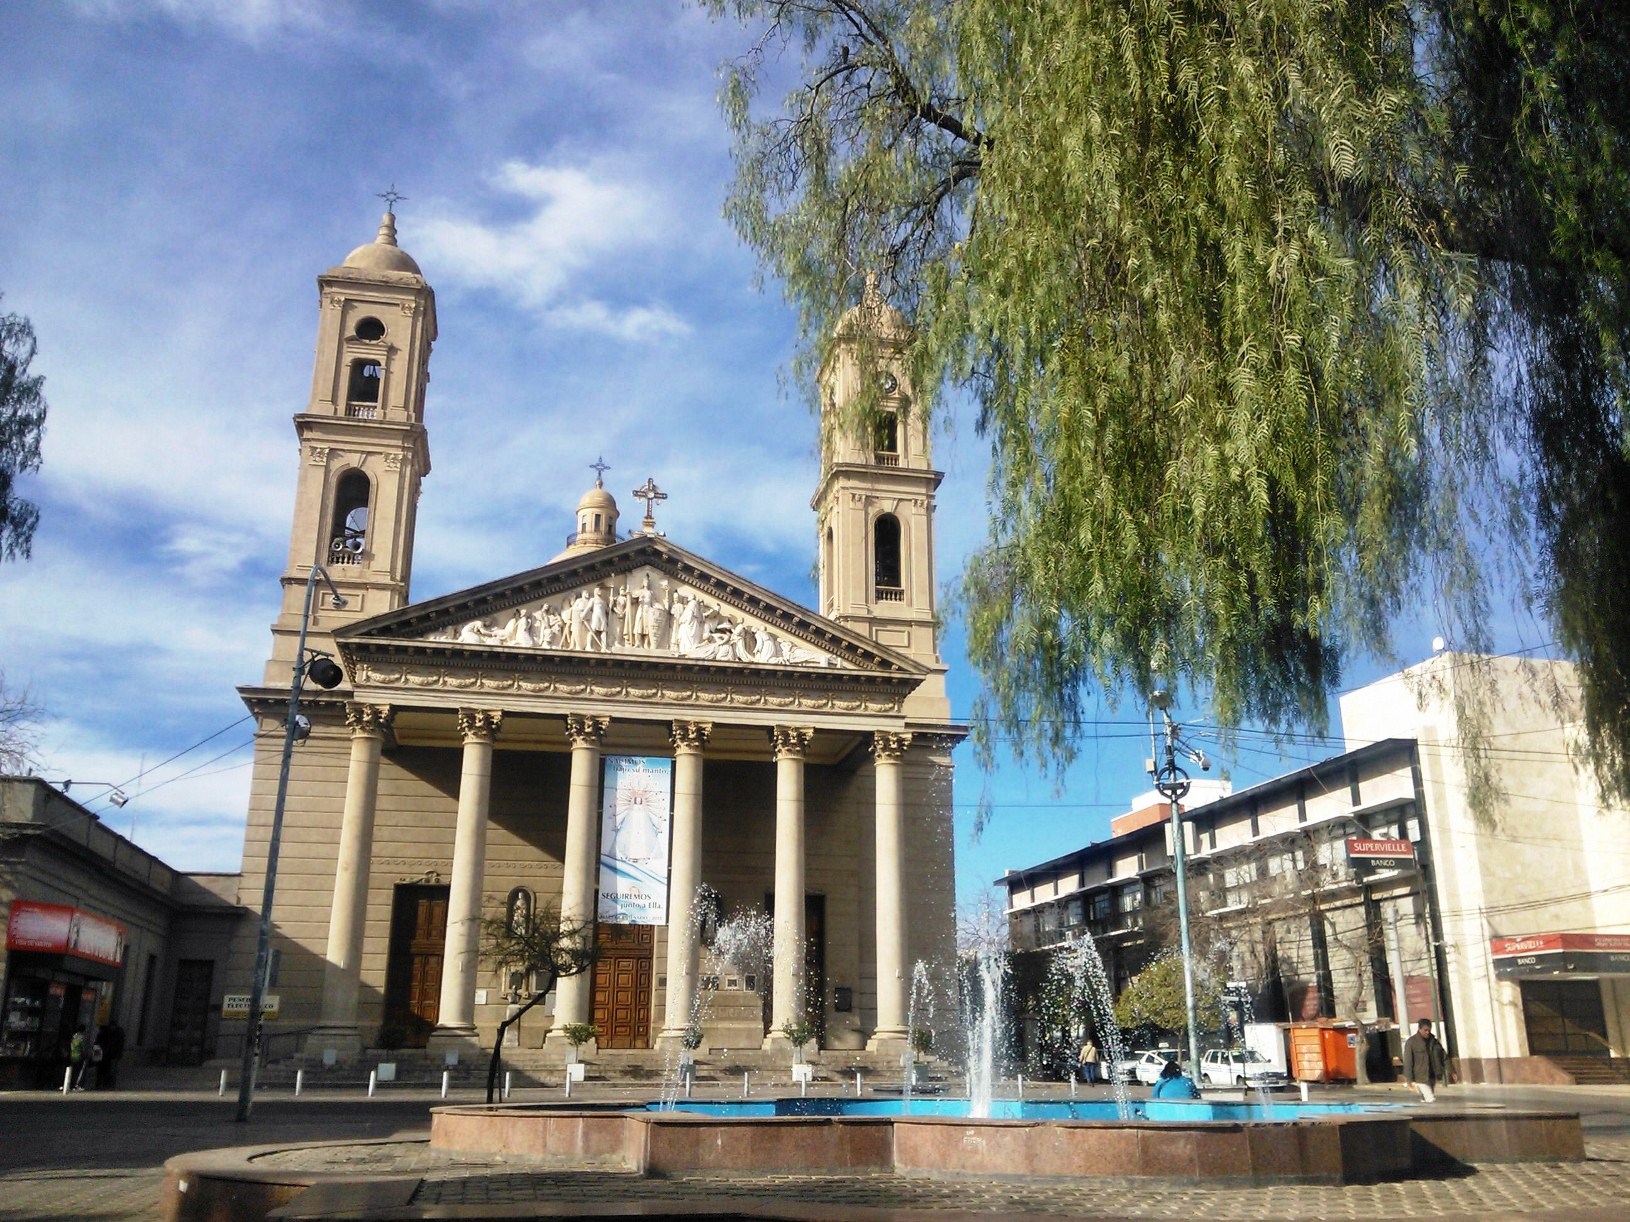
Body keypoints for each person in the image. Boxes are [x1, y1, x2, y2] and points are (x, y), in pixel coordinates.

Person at [1403, 1018, 1449, 1103]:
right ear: (1419, 1029)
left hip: (1432, 1074)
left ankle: (1425, 1109)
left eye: (1429, 1030)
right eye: (1425, 1030)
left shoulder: (1434, 1042)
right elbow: (1408, 1061)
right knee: (1430, 1098)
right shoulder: (1412, 1042)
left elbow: (1443, 1056)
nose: (1427, 1032)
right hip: (1419, 1076)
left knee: (1426, 1097)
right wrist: (1409, 1079)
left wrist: (1451, 1070)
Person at [96, 1020, 125, 1090]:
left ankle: (109, 1085)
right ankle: (105, 1084)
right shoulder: (109, 1034)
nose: (111, 1028)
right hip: (108, 1055)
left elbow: (118, 1045)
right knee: (106, 1070)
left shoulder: (118, 1034)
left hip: (113, 1055)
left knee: (112, 1070)